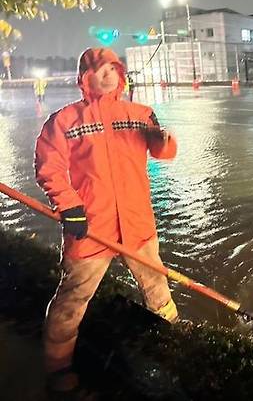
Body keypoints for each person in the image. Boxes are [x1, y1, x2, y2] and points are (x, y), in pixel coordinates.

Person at [34, 47, 179, 394]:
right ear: (85, 78)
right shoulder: (65, 120)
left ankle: (177, 344)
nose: (108, 75)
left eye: (114, 69)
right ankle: (57, 368)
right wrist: (70, 206)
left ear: (121, 74)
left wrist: (165, 140)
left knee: (158, 290)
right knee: (72, 300)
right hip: (90, 228)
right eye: (100, 70)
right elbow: (48, 167)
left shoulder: (141, 113)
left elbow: (164, 154)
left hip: (137, 224)